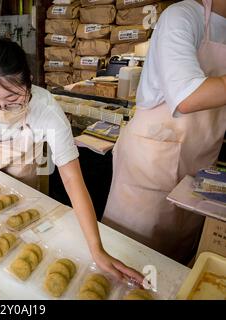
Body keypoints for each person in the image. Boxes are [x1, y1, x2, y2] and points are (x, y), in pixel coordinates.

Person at [0, 39, 144, 284]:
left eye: (13, 99)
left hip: (24, 166)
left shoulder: (46, 108)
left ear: (29, 84)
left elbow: (71, 178)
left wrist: (96, 248)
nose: (3, 109)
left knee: (20, 228)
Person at [103, 0, 226, 264]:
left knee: (175, 258)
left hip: (198, 163)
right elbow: (188, 96)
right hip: (152, 163)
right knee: (131, 256)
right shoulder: (181, 17)